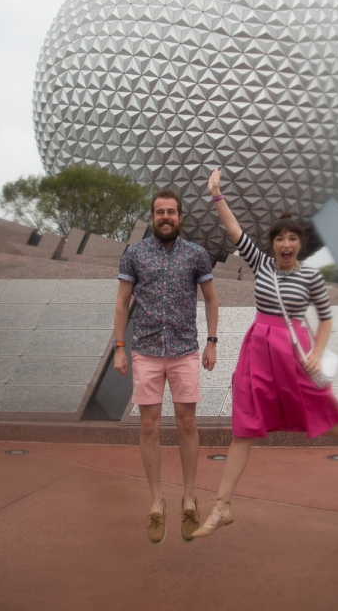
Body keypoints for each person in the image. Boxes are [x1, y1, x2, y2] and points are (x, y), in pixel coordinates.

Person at [192, 169, 338, 539]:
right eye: (280, 239)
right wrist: (217, 195)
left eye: (292, 239)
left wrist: (317, 353)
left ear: (300, 245)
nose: (286, 244)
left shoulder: (312, 278)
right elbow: (235, 232)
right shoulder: (262, 264)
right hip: (258, 351)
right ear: (273, 244)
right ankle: (222, 506)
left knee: (324, 418)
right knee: (244, 427)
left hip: (295, 354)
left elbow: (327, 320)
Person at [113, 187, 219, 544]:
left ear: (180, 217)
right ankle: (157, 501)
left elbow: (211, 299)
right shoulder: (135, 254)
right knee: (148, 426)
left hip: (185, 350)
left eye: (171, 212)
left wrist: (212, 342)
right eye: (160, 212)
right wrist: (119, 348)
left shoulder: (197, 255)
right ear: (152, 216)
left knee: (187, 423)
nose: (166, 217)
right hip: (145, 350)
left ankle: (189, 497)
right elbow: (121, 302)